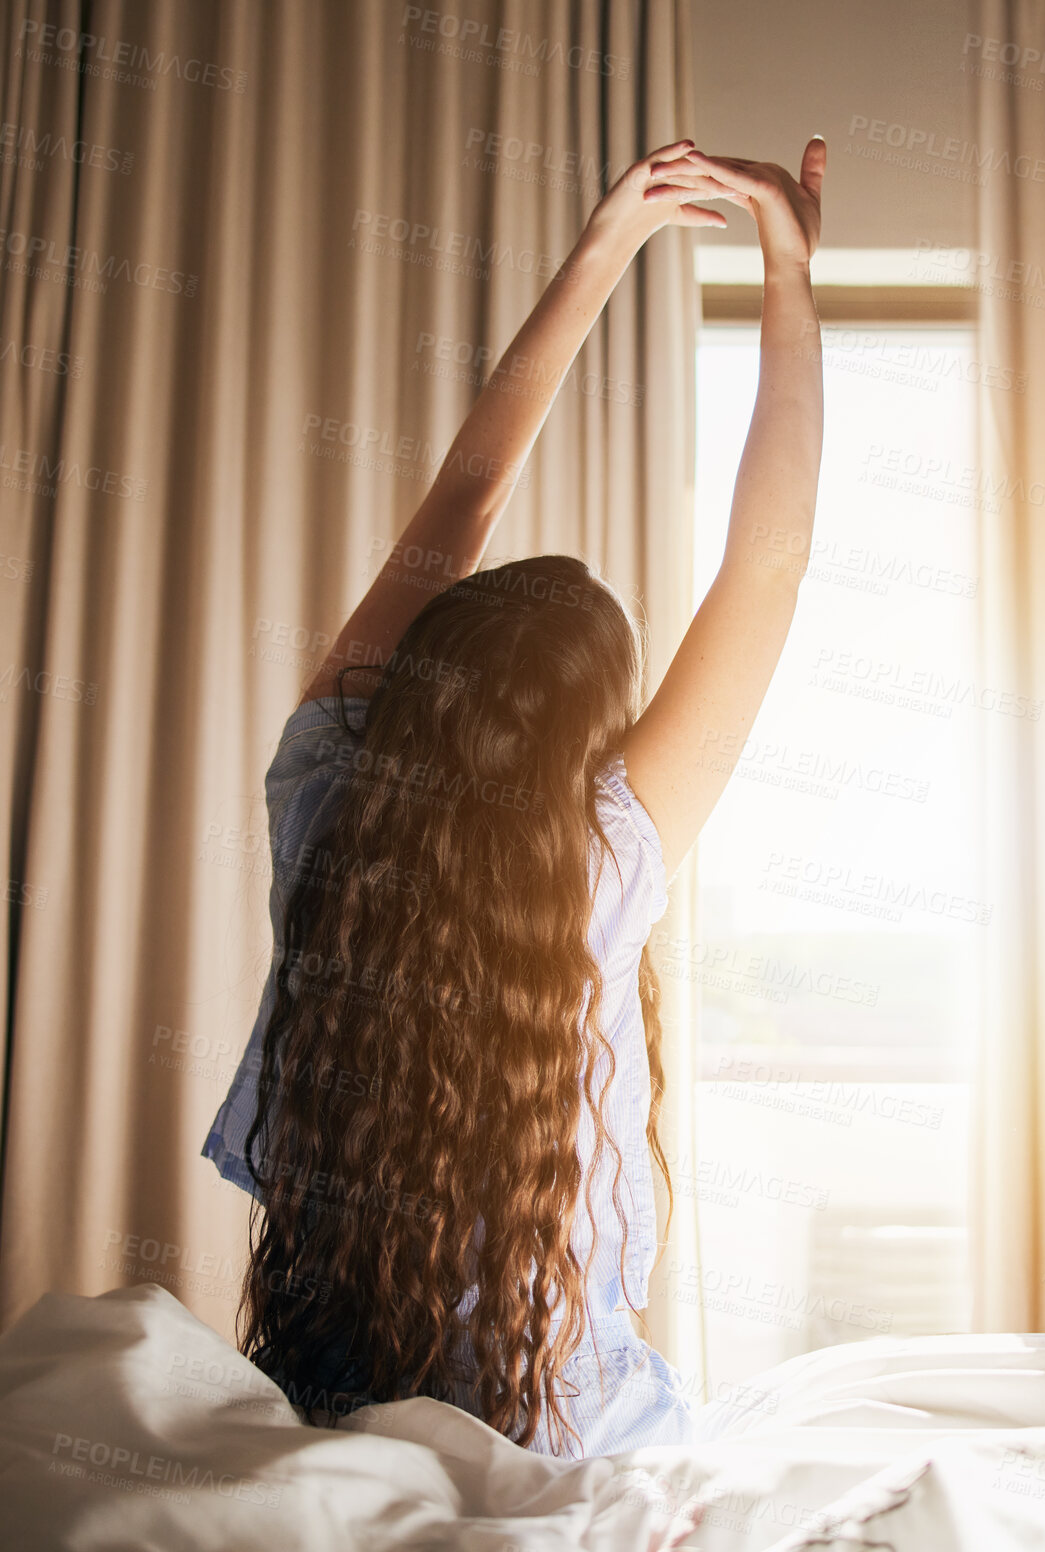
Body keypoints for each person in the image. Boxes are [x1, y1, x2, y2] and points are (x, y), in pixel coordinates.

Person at [201, 136, 826, 1457]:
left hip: (332, 1412)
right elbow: (766, 572)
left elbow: (464, 498)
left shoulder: (324, 799)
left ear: (427, 681)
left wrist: (607, 242)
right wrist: (789, 269)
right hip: (565, 1438)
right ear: (587, 745)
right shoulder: (599, 859)